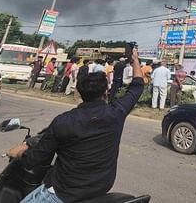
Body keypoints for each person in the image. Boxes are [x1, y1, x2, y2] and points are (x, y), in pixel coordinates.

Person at [8, 47, 144, 202]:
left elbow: (34, 160)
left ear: (80, 92)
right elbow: (137, 86)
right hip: (101, 186)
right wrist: (135, 59)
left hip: (64, 192)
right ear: (105, 91)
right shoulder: (116, 113)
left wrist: (19, 152)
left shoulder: (64, 121)